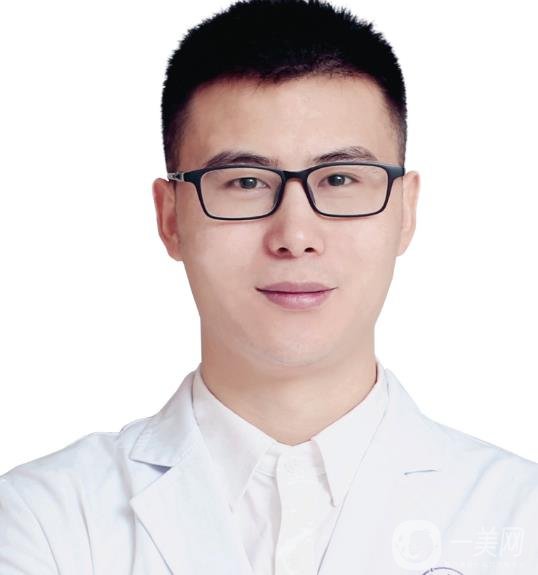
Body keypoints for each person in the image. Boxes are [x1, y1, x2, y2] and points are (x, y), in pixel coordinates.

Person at [1, 0, 537, 573]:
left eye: (339, 179)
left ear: (405, 212)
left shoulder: (519, 515)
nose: (295, 236)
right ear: (170, 218)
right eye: (246, 182)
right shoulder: (44, 520)